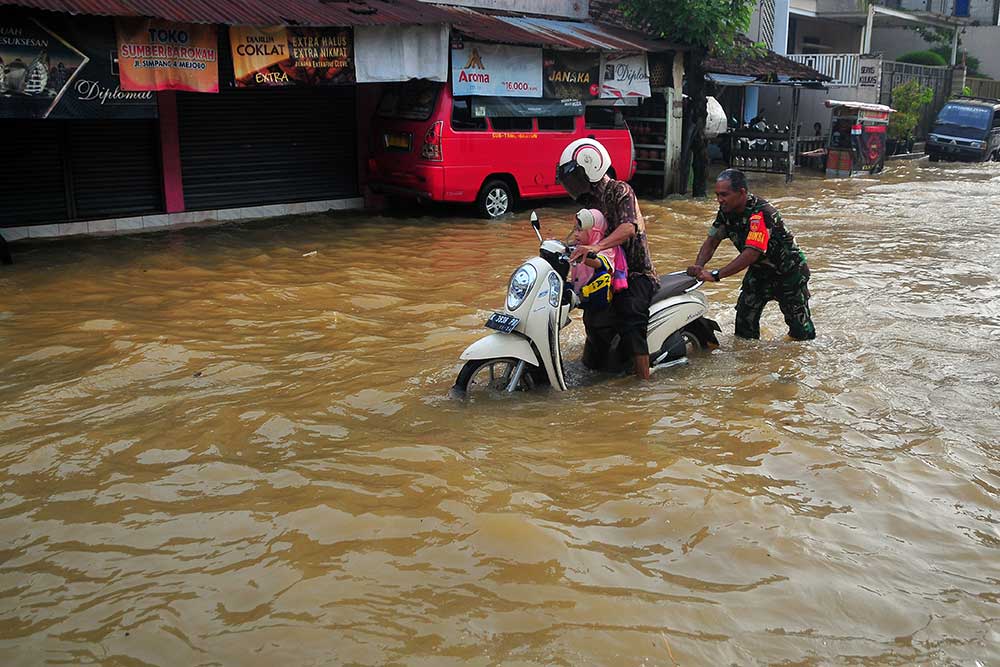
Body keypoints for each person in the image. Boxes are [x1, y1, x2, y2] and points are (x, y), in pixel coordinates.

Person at [557, 138, 658, 379]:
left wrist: (596, 246)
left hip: (634, 273)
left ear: (590, 167)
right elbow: (581, 233)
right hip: (603, 271)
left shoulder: (620, 191)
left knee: (631, 315)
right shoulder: (589, 201)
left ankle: (644, 380)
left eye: (574, 176)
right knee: (589, 313)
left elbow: (628, 227)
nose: (570, 184)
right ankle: (595, 367)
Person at [687, 169, 815, 341]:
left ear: (741, 193)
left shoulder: (761, 214)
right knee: (744, 325)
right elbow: (712, 241)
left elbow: (751, 254)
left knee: (801, 334)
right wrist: (699, 266)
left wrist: (716, 275)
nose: (719, 200)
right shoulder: (726, 211)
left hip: (789, 273)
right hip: (760, 272)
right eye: (717, 194)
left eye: (724, 194)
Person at [567, 208, 628, 372]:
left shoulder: (605, 249)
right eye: (574, 230)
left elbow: (602, 263)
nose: (576, 234)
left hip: (606, 314)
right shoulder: (579, 248)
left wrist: (585, 256)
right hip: (590, 310)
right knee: (591, 359)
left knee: (609, 360)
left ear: (595, 230)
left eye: (580, 230)